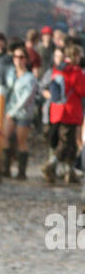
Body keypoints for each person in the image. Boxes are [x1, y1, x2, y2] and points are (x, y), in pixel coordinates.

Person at [41, 39, 85, 185]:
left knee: (70, 143)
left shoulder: (57, 69)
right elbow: (82, 90)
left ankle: (69, 173)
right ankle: (51, 165)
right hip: (71, 112)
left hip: (56, 110)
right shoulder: (76, 72)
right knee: (65, 143)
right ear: (75, 56)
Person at [0, 41, 39, 180]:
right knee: (4, 136)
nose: (18, 59)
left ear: (26, 59)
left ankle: (21, 171)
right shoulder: (10, 73)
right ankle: (5, 168)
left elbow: (26, 99)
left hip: (23, 113)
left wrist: (12, 112)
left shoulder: (30, 78)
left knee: (21, 141)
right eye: (16, 56)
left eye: (21, 57)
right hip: (9, 110)